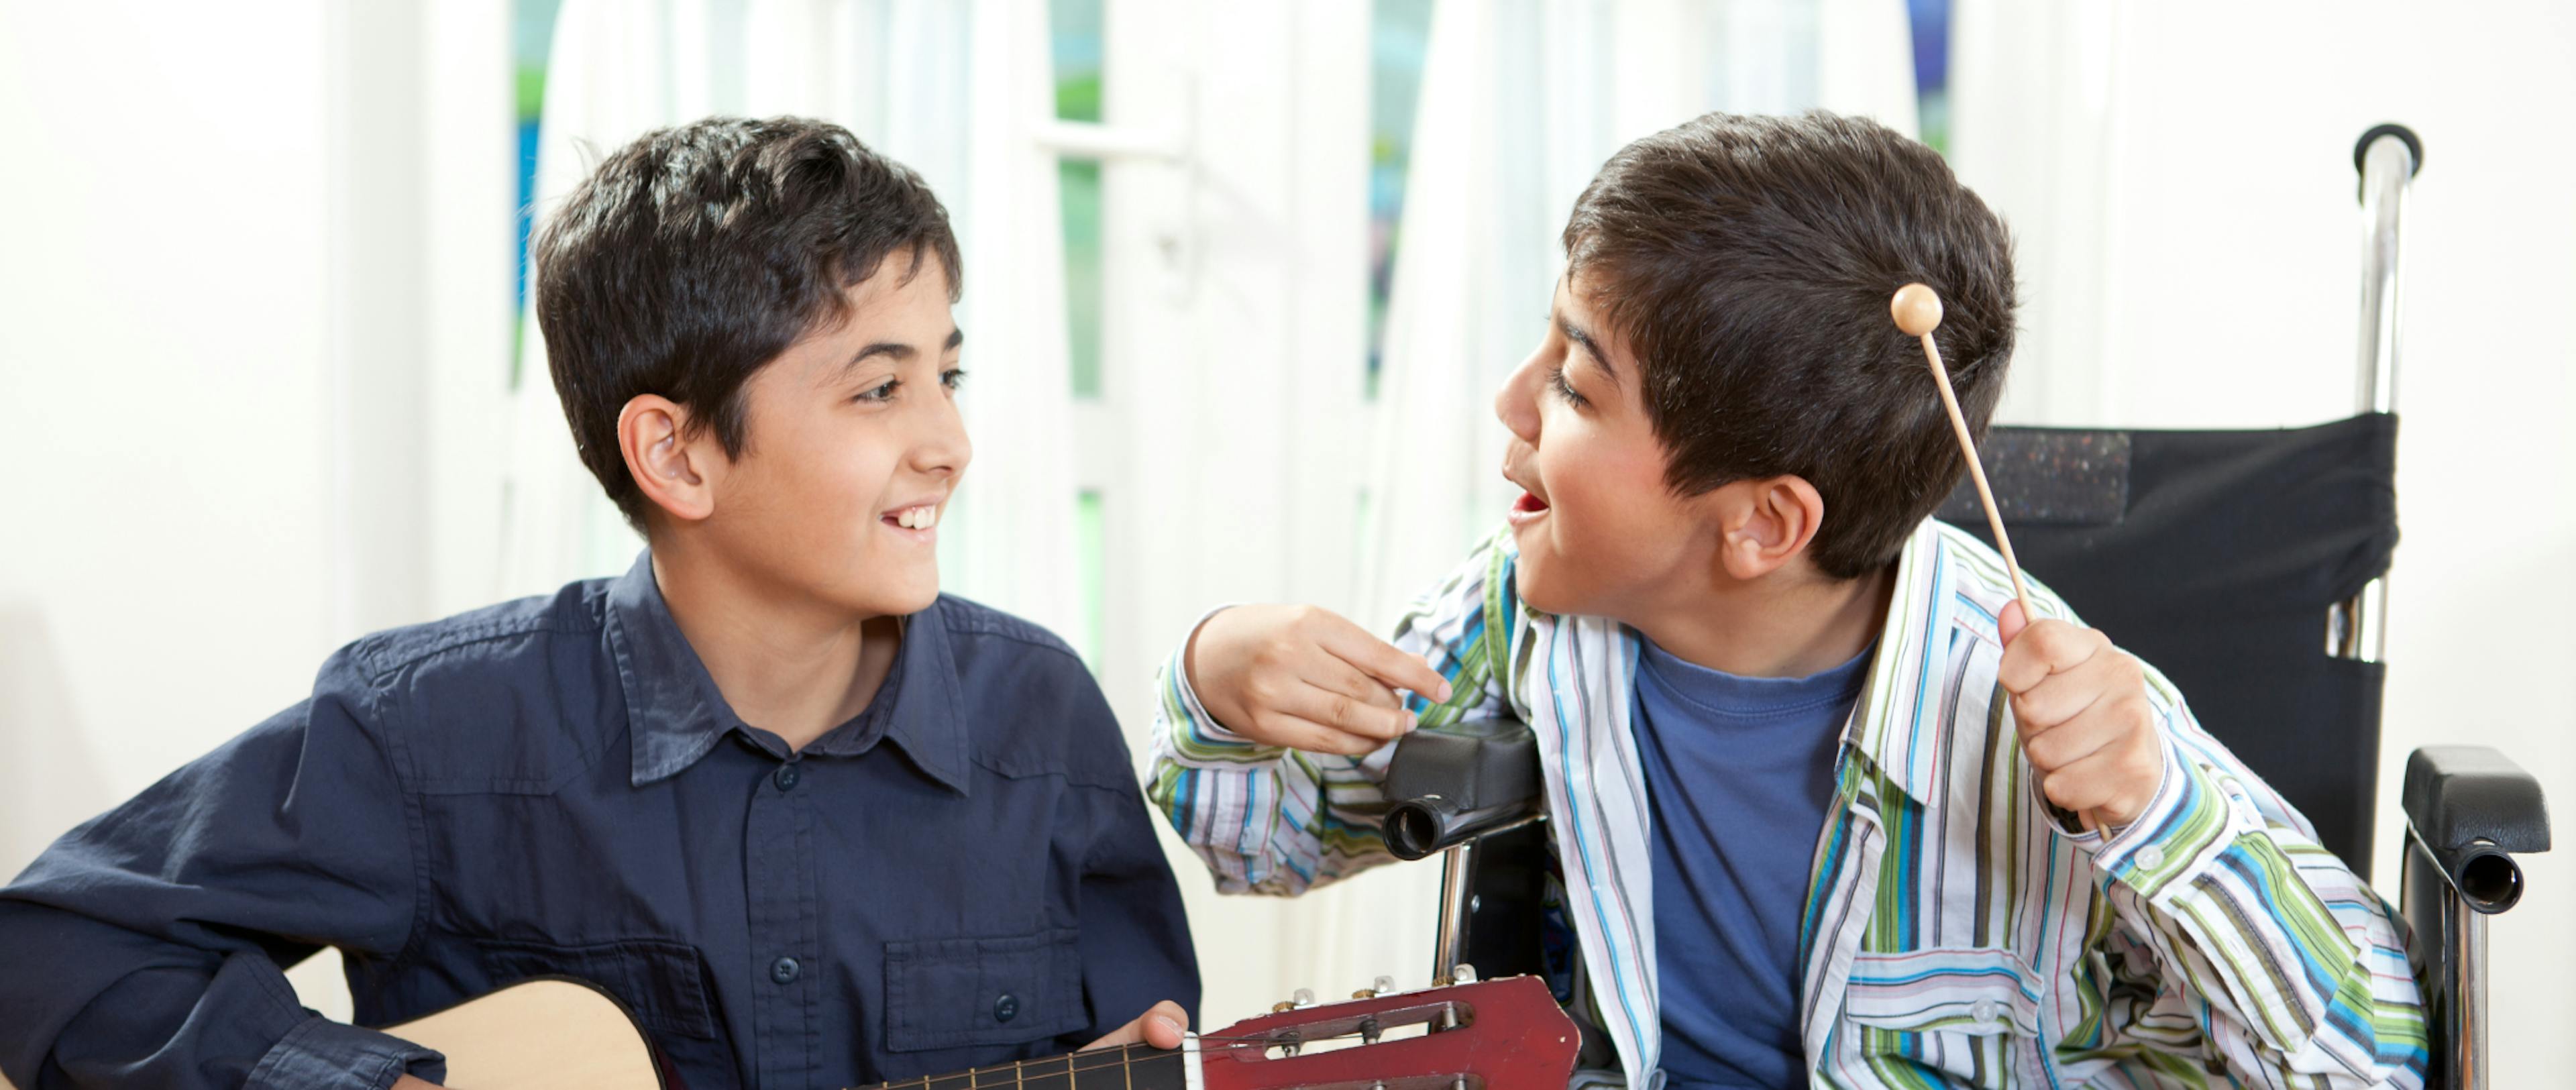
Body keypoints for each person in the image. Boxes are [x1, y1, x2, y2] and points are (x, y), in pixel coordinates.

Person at [1150, 111, 2423, 1089]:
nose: (1508, 399)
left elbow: (2371, 1058)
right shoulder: (1524, 608)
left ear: (1762, 522)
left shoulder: (2048, 705)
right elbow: (1251, 837)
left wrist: (2156, 808)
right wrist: (1217, 671)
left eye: (1577, 391)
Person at [0, 117, 1197, 1090]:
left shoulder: (1039, 715)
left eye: (948, 372)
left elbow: (1151, 1047)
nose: (950, 441)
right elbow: (48, 941)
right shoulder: (428, 728)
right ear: (675, 457)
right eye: (881, 387)